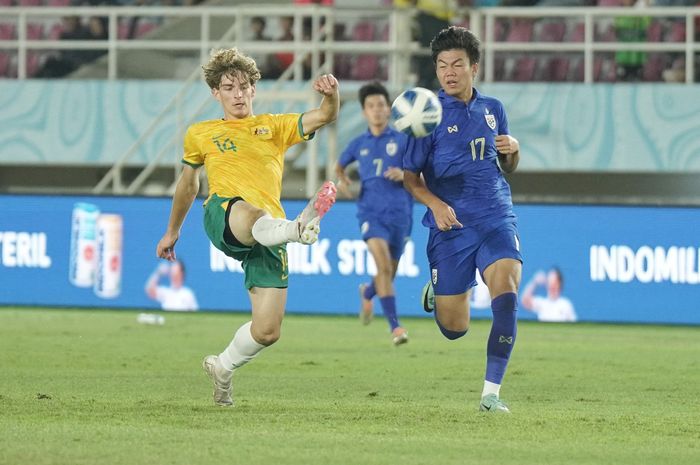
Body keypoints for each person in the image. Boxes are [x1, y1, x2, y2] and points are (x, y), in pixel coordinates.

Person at [155, 48, 339, 407]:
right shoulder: (201, 134)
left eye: (243, 87)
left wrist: (331, 95)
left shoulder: (275, 126)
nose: (237, 94)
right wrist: (172, 230)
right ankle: (297, 228)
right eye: (228, 88)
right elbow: (188, 185)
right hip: (225, 215)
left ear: (254, 89)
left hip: (268, 232)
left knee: (267, 331)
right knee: (252, 214)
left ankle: (222, 369)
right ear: (215, 92)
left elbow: (325, 116)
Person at [402, 26, 522, 413]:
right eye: (441, 66)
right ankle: (440, 293)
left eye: (456, 64)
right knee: (455, 329)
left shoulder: (493, 109)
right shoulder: (426, 116)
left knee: (506, 293)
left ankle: (491, 394)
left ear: (474, 67)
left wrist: (514, 150)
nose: (449, 72)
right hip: (450, 226)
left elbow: (507, 165)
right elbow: (409, 178)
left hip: (495, 214)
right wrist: (435, 204)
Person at [335, 81, 413, 346]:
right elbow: (339, 166)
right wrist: (343, 182)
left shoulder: (404, 140)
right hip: (370, 213)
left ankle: (368, 293)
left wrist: (405, 175)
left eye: (381, 105)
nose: (377, 110)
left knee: (387, 274)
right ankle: (395, 328)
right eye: (371, 106)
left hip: (401, 214)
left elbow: (422, 173)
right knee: (381, 267)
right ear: (364, 112)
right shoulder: (358, 144)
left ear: (389, 110)